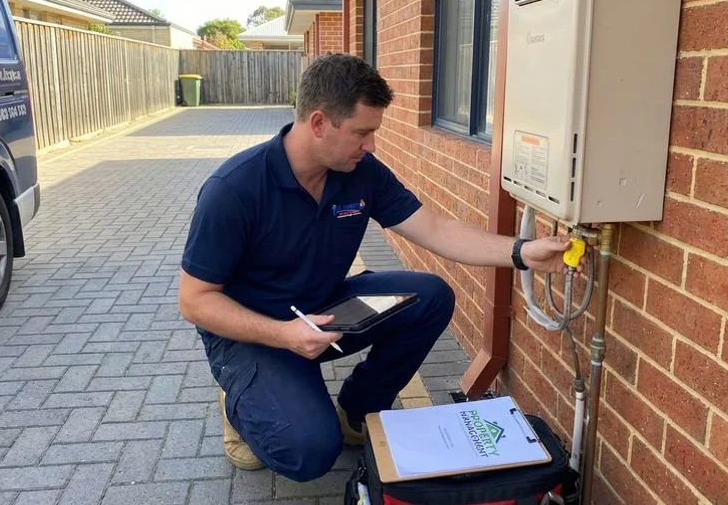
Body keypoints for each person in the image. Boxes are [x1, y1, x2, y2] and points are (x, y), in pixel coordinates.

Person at [178, 53, 581, 482]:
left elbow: (437, 229)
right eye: (362, 133)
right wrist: (284, 335)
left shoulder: (360, 172)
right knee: (309, 452)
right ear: (318, 123)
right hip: (253, 336)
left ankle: (356, 412)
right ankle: (240, 400)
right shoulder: (235, 189)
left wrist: (522, 252)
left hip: (327, 313)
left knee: (429, 297)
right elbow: (195, 301)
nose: (371, 145)